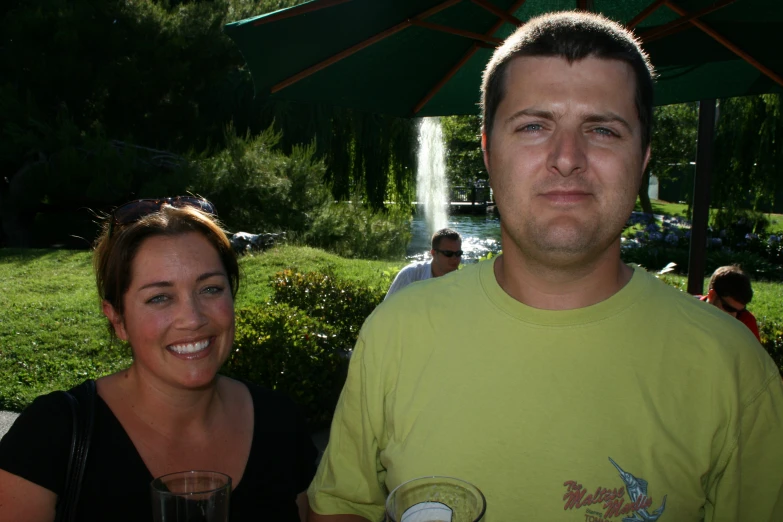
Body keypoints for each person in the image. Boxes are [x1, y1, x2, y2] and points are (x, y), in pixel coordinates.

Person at [307, 12, 783, 522]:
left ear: (643, 157)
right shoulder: (393, 336)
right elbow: (341, 509)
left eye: (602, 129)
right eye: (534, 126)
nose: (566, 157)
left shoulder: (734, 371)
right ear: (489, 152)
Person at [0, 197, 317, 522]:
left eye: (210, 289)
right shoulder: (52, 435)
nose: (192, 319)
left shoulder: (281, 423)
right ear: (118, 321)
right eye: (160, 297)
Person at [384, 228, 462, 299]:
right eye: (448, 253)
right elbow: (387, 309)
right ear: (434, 253)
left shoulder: (463, 281)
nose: (454, 258)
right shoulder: (410, 275)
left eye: (458, 253)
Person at [698, 265, 761, 341]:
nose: (734, 316)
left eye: (739, 311)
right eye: (729, 308)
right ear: (712, 295)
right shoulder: (689, 310)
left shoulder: (746, 321)